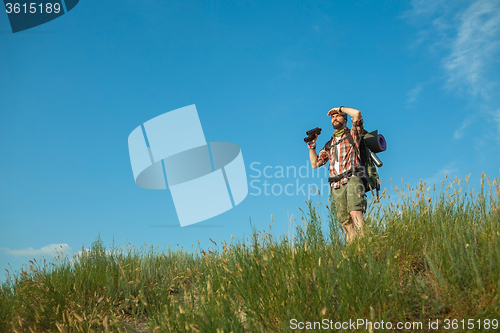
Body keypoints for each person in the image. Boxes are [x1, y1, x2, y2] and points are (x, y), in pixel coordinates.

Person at [307, 106, 367, 243]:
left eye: (338, 116)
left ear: (345, 120)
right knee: (345, 222)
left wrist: (340, 108)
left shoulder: (353, 134)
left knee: (355, 212)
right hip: (336, 184)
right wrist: (312, 145)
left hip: (352, 178)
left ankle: (364, 246)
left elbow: (357, 114)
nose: (334, 118)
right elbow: (315, 163)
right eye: (332, 117)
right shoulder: (330, 144)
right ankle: (352, 250)